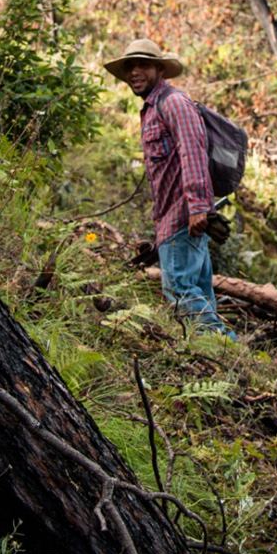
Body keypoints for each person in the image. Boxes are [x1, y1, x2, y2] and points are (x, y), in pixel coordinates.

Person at [104, 38, 237, 341]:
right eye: (129, 67)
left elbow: (193, 152)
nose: (135, 72)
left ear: (159, 69)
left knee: (181, 293)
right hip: (173, 218)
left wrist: (199, 207)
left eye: (143, 65)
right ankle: (221, 359)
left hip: (184, 218)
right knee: (196, 293)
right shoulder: (152, 109)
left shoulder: (174, 103)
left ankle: (230, 351)